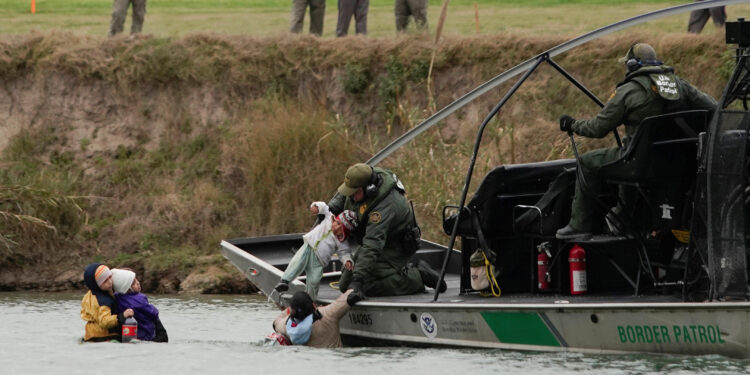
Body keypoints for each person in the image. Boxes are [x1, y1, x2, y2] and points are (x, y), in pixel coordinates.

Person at [555, 43, 718, 240]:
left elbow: (597, 129)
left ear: (632, 65)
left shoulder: (628, 91)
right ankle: (622, 219)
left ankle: (579, 225)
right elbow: (714, 108)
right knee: (630, 155)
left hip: (639, 164)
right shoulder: (680, 85)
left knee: (588, 162)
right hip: (678, 165)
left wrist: (572, 124)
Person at [329, 163, 446, 305]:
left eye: (355, 193)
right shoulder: (366, 179)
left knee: (367, 286)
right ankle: (402, 273)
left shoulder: (382, 208)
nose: (352, 197)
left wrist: (358, 281)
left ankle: (418, 277)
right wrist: (332, 207)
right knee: (344, 285)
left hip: (395, 246)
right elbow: (345, 192)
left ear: (369, 188)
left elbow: (372, 245)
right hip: (376, 240)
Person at [274, 202, 359, 301]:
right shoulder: (328, 218)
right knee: (297, 263)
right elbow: (324, 207)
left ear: (345, 233)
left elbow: (344, 253)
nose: (336, 228)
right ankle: (285, 281)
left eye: (341, 229)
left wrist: (347, 260)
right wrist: (316, 207)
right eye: (338, 223)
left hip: (319, 261)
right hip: (309, 247)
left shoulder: (342, 242)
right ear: (335, 219)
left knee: (314, 280)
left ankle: (310, 299)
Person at [272, 290, 353, 348]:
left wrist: (291, 309)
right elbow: (351, 296)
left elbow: (275, 323)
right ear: (313, 305)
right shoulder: (327, 314)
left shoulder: (287, 326)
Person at [80, 263, 134, 342]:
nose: (110, 282)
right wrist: (122, 316)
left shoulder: (90, 294)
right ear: (96, 284)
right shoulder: (104, 301)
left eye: (110, 277)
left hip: (90, 334)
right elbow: (104, 322)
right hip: (104, 336)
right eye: (105, 281)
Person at [111, 268, 168, 342]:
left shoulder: (117, 297)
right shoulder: (140, 298)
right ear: (127, 289)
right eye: (133, 283)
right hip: (146, 334)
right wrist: (154, 310)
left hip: (130, 334)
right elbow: (153, 312)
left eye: (136, 280)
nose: (138, 283)